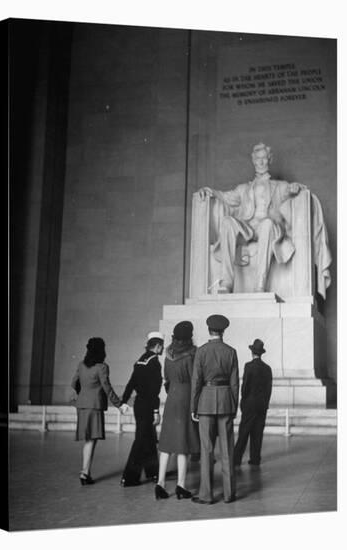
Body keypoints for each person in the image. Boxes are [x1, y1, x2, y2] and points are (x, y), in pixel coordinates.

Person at [198, 142, 306, 293]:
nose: (261, 162)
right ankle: (227, 283)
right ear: (253, 161)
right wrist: (211, 191)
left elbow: (295, 190)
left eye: (264, 158)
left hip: (268, 228)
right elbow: (226, 197)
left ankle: (260, 285)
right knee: (228, 222)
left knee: (267, 223)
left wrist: (295, 188)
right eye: (257, 159)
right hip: (248, 229)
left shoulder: (279, 186)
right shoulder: (243, 189)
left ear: (270, 160)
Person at [191, 314, 239, 504]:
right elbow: (235, 383)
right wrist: (234, 405)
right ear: (223, 331)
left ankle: (206, 494)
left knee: (206, 450)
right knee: (228, 450)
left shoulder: (201, 351)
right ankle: (229, 493)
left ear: (209, 330)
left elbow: (196, 382)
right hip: (226, 400)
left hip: (205, 401)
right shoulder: (231, 352)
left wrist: (193, 407)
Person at [155, 321, 200, 500]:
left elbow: (166, 379)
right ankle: (181, 485)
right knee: (183, 444)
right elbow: (194, 380)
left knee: (166, 443)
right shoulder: (191, 355)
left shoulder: (167, 355)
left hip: (171, 398)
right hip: (186, 398)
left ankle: (160, 483)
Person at [71, 337, 126, 485]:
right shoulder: (102, 367)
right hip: (94, 405)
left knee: (88, 440)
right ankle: (84, 472)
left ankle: (85, 471)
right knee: (91, 440)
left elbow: (74, 382)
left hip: (82, 404)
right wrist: (119, 404)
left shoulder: (81, 365)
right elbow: (107, 387)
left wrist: (83, 394)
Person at [120, 332, 163, 487]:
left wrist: (123, 401)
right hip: (148, 405)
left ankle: (153, 472)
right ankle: (129, 477)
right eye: (161, 346)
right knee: (141, 440)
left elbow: (131, 383)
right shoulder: (155, 362)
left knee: (149, 438)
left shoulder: (140, 361)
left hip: (139, 403)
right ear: (157, 346)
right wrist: (156, 411)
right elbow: (154, 390)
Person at [234, 339, 272, 467]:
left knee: (244, 432)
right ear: (261, 353)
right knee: (258, 432)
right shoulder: (267, 369)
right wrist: (265, 404)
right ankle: (255, 458)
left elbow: (245, 387)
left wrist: (243, 401)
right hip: (261, 404)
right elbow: (268, 389)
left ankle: (236, 459)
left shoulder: (248, 366)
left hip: (249, 403)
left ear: (252, 352)